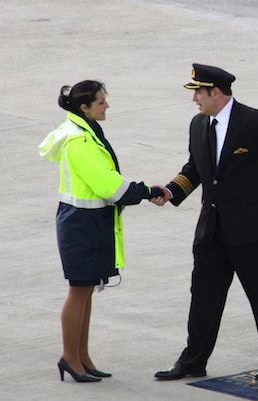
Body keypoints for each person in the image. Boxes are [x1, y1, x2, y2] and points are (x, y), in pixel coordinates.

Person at [152, 63, 258, 381]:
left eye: (198, 92)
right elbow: (195, 168)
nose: (195, 99)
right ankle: (193, 361)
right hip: (212, 230)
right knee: (203, 299)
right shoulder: (199, 125)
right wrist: (170, 191)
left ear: (216, 92)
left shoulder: (253, 121)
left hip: (251, 231)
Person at [39, 80, 166, 383]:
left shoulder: (86, 131)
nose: (106, 105)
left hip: (89, 221)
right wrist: (147, 191)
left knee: (86, 291)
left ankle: (82, 357)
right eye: (101, 101)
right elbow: (109, 185)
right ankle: (70, 358)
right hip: (81, 224)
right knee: (79, 290)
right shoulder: (80, 141)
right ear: (84, 108)